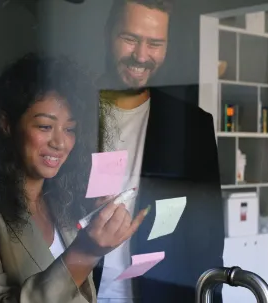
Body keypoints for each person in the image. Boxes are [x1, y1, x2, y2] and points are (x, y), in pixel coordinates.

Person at [0, 53, 149, 303]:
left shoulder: (62, 200)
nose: (60, 143)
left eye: (70, 130)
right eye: (45, 126)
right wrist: (85, 252)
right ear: (6, 124)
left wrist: (97, 230)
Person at [94, 1, 225, 302]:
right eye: (130, 39)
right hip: (77, 291)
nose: (141, 56)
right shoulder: (67, 113)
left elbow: (207, 239)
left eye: (155, 43)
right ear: (107, 33)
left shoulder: (193, 127)